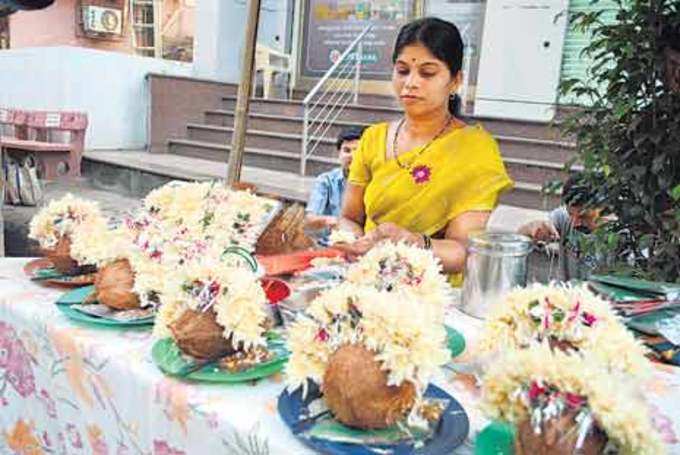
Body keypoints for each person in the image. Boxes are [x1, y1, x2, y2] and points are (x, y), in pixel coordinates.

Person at [336, 17, 513, 286]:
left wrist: (410, 242)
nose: (411, 82)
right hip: (366, 280)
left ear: (455, 81)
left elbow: (462, 252)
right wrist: (351, 241)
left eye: (427, 73)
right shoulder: (373, 138)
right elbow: (350, 217)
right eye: (403, 70)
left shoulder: (475, 150)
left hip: (431, 293)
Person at [518, 174, 603, 281]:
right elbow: (521, 235)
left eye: (584, 216)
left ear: (603, 208)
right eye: (570, 214)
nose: (575, 223)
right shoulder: (563, 217)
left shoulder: (622, 236)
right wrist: (532, 229)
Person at [305, 126, 367, 246]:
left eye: (357, 151)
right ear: (338, 153)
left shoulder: (374, 182)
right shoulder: (326, 181)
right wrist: (333, 221)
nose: (351, 156)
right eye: (347, 150)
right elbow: (310, 219)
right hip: (330, 247)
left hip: (363, 248)